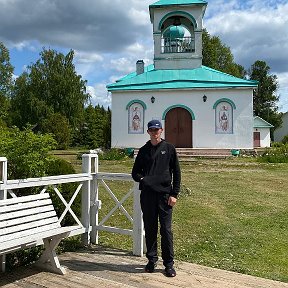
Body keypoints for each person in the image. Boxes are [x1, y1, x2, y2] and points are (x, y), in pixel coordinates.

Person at [132, 119, 181, 277]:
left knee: (166, 230)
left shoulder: (169, 148)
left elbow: (177, 173)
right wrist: (143, 180)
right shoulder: (143, 150)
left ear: (162, 130)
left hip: (165, 196)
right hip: (147, 196)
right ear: (148, 132)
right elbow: (135, 173)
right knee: (150, 229)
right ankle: (151, 260)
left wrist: (174, 194)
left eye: (157, 129)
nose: (154, 132)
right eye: (152, 130)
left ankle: (169, 264)